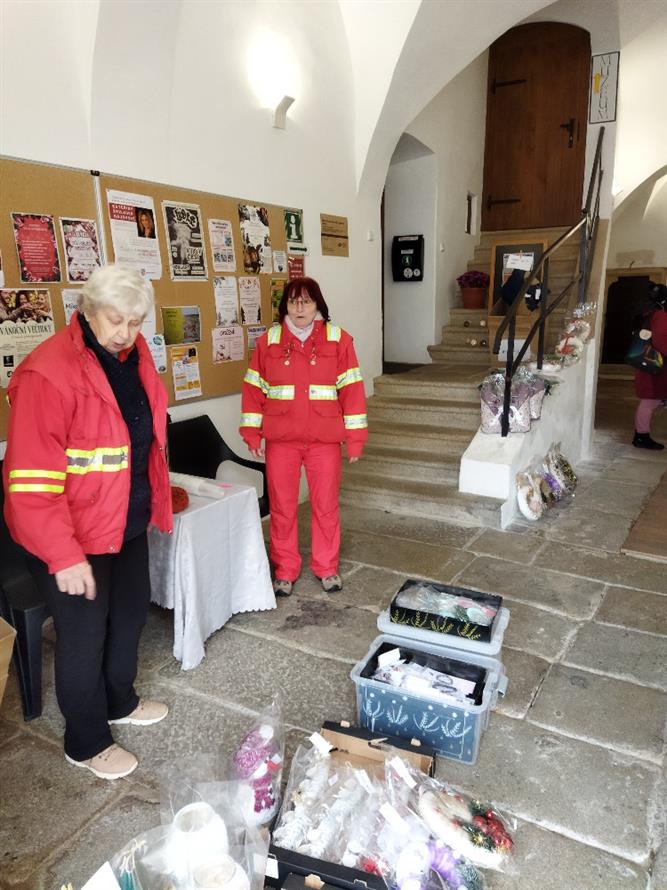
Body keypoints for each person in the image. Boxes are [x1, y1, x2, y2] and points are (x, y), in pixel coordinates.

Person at [2, 264, 173, 780]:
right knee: (83, 636)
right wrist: (64, 556)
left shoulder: (133, 356)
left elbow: (139, 443)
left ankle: (119, 701)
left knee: (129, 618)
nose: (125, 333)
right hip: (71, 536)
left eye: (135, 322)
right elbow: (30, 484)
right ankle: (86, 740)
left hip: (125, 521)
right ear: (87, 311)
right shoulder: (47, 373)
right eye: (115, 320)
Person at [240, 277, 367, 596]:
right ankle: (285, 568)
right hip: (282, 441)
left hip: (324, 441)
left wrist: (355, 438)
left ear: (317, 305)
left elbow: (352, 391)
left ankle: (326, 567)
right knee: (283, 507)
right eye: (293, 301)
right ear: (285, 305)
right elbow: (253, 390)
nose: (299, 308)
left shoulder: (338, 339)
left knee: (325, 506)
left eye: (306, 301)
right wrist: (252, 433)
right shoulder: (268, 341)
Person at [633, 282, 667, 449]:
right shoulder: (660, 315)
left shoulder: (648, 312)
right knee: (650, 401)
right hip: (654, 364)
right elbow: (661, 341)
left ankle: (641, 435)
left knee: (652, 400)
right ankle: (641, 436)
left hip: (648, 361)